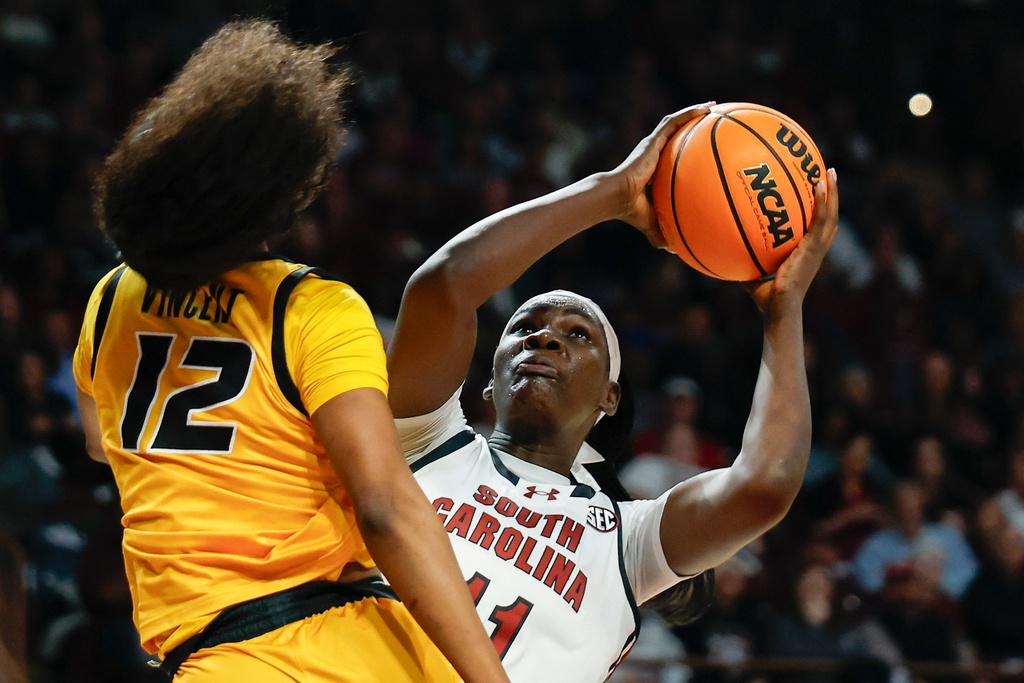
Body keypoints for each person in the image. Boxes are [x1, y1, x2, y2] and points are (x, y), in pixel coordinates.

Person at [71, 20, 508, 683]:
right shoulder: (310, 308)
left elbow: (102, 444)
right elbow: (386, 506)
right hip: (359, 647)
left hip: (223, 657)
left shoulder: (111, 300)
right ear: (287, 187)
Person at [385, 102, 841, 681]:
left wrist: (785, 308)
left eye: (577, 334)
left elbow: (764, 485)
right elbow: (444, 287)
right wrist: (612, 192)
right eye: (524, 329)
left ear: (610, 397)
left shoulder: (626, 540)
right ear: (488, 379)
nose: (545, 337)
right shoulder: (424, 442)